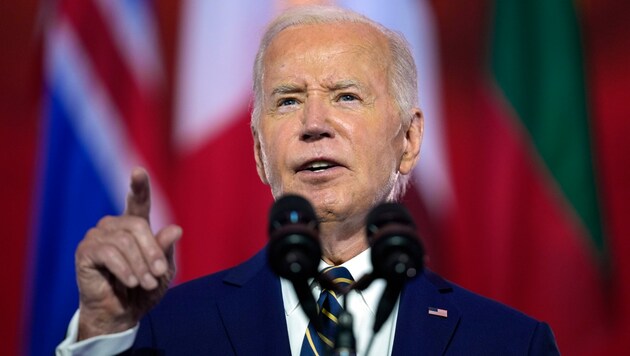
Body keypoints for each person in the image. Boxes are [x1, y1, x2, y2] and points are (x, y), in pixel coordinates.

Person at [57, 5, 559, 355]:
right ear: (259, 151)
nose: (314, 124)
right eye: (288, 100)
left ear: (408, 141)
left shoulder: (508, 344)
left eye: (345, 96)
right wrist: (103, 330)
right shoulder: (167, 331)